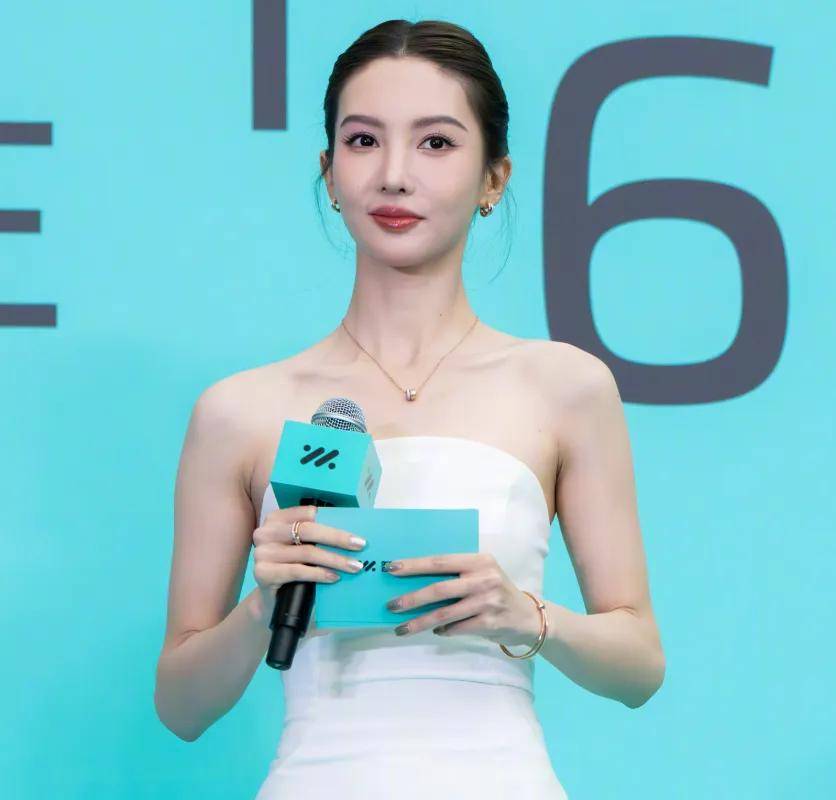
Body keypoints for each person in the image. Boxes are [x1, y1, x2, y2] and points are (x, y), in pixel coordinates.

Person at [154, 18, 665, 799]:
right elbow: (181, 708)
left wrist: (525, 616)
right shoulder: (240, 410)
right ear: (329, 172)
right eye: (363, 141)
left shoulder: (565, 387)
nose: (394, 175)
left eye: (435, 143)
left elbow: (639, 668)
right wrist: (262, 606)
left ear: (493, 178)